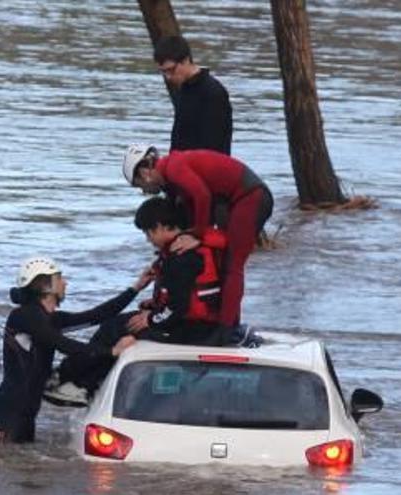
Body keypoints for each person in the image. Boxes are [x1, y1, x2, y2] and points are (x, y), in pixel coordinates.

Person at [45, 197, 227, 406]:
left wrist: (152, 319)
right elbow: (183, 297)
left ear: (159, 227)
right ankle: (81, 381)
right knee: (117, 325)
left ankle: (77, 381)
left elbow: (179, 307)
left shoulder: (180, 258)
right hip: (195, 325)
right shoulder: (189, 250)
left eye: (148, 233)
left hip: (190, 329)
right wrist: (152, 306)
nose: (148, 239)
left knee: (116, 329)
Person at [0, 256, 151, 443]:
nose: (65, 283)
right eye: (59, 278)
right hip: (9, 409)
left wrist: (136, 288)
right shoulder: (23, 316)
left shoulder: (50, 318)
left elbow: (97, 315)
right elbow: (63, 344)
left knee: (23, 467)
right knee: (8, 464)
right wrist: (111, 351)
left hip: (27, 409)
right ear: (45, 286)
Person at [122, 145, 273, 329]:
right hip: (230, 201)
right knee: (219, 260)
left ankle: (226, 331)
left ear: (145, 172)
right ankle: (222, 319)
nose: (144, 192)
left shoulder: (174, 168)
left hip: (251, 196)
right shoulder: (171, 181)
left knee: (233, 265)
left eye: (140, 186)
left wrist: (198, 235)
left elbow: (202, 196)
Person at [154, 35, 232, 155]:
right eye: (163, 72)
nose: (168, 77)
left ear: (185, 60)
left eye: (171, 70)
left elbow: (215, 146)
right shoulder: (183, 89)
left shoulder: (213, 93)